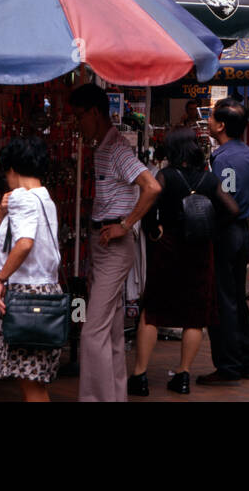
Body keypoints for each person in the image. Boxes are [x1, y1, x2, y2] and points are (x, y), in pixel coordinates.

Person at [70, 83, 161, 402]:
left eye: (79, 116)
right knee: (106, 329)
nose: (77, 124)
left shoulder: (117, 148)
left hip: (113, 242)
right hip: (104, 241)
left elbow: (151, 186)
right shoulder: (105, 146)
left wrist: (125, 224)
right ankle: (113, 395)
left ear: (94, 113)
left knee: (92, 329)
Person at [128, 129, 237, 396]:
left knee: (152, 311)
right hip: (200, 250)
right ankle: (183, 374)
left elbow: (149, 208)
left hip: (167, 249)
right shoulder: (210, 179)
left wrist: (154, 230)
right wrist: (212, 228)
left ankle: (140, 375)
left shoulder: (165, 176)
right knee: (194, 316)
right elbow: (232, 210)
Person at [0, 137, 62, 403]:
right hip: (47, 294)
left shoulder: (23, 198)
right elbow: (5, 240)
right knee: (34, 380)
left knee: (30, 384)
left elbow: (23, 244)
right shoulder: (45, 198)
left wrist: (0, 278)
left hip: (26, 297)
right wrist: (1, 212)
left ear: (12, 169)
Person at [198, 98, 249, 385]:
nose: (207, 121)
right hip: (241, 232)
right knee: (236, 297)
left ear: (221, 125)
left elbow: (226, 200)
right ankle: (247, 358)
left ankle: (228, 364)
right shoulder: (247, 153)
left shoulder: (224, 158)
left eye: (211, 118)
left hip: (226, 232)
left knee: (223, 300)